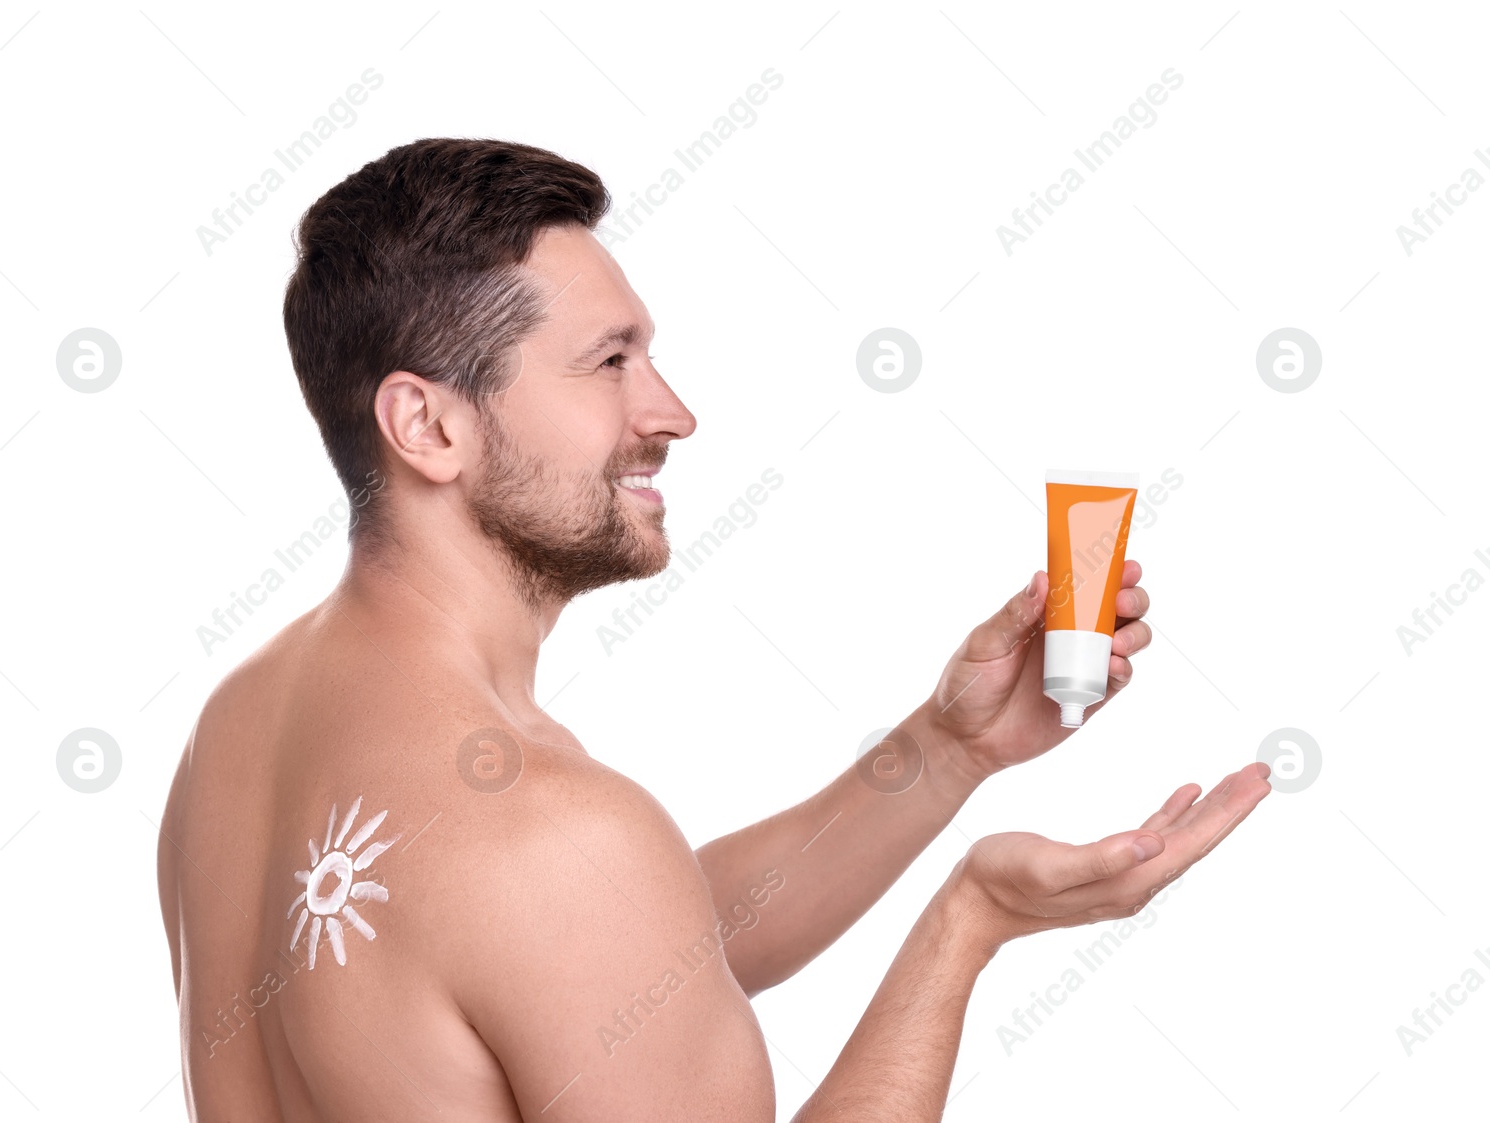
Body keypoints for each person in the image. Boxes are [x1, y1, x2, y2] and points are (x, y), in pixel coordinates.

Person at [156, 137, 1271, 1121]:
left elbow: (596, 967)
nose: (670, 412)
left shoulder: (240, 728)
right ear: (426, 424)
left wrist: (947, 750)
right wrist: (967, 922)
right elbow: (573, 910)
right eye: (609, 361)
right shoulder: (553, 838)